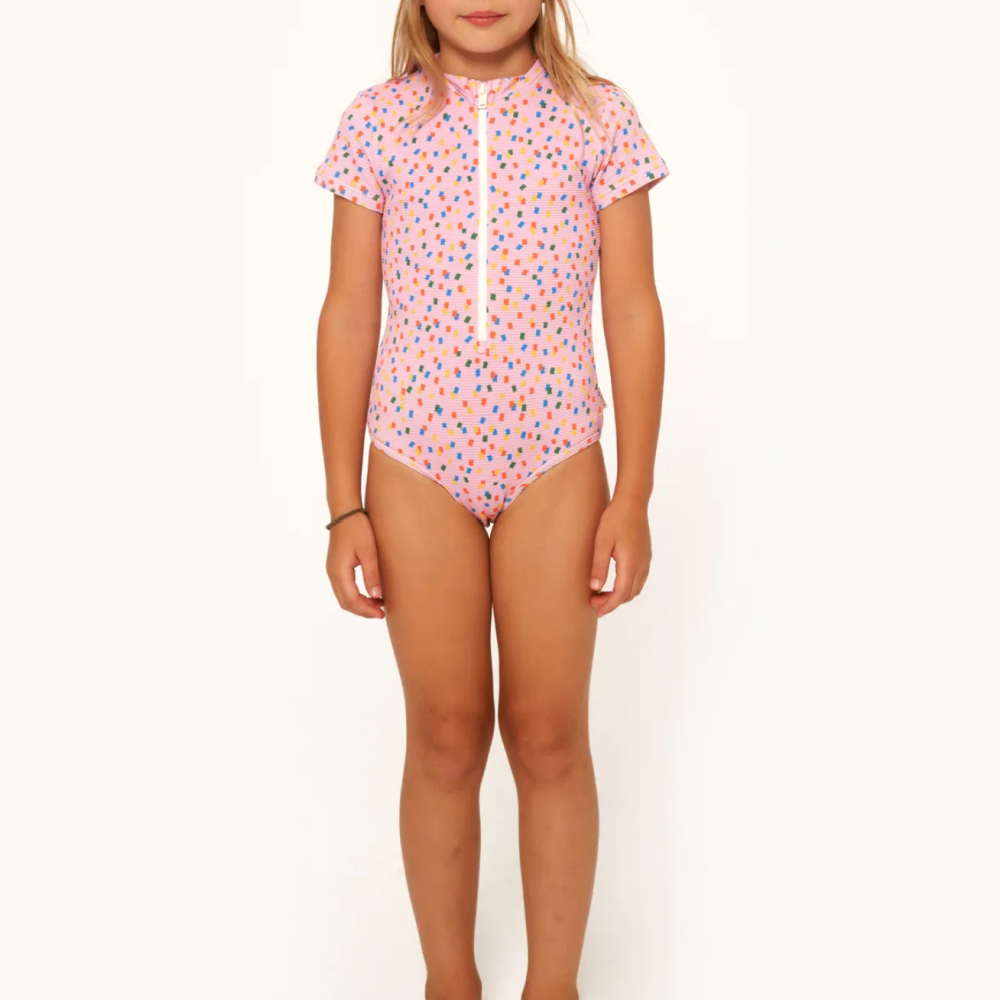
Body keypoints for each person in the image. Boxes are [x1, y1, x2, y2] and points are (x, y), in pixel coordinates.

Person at [314, 2, 669, 997]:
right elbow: (348, 312)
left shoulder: (599, 117)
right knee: (445, 733)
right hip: (415, 460)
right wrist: (344, 505)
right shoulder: (377, 122)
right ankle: (448, 982)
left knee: (548, 733)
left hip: (555, 455)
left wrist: (633, 493)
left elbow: (632, 307)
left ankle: (554, 985)